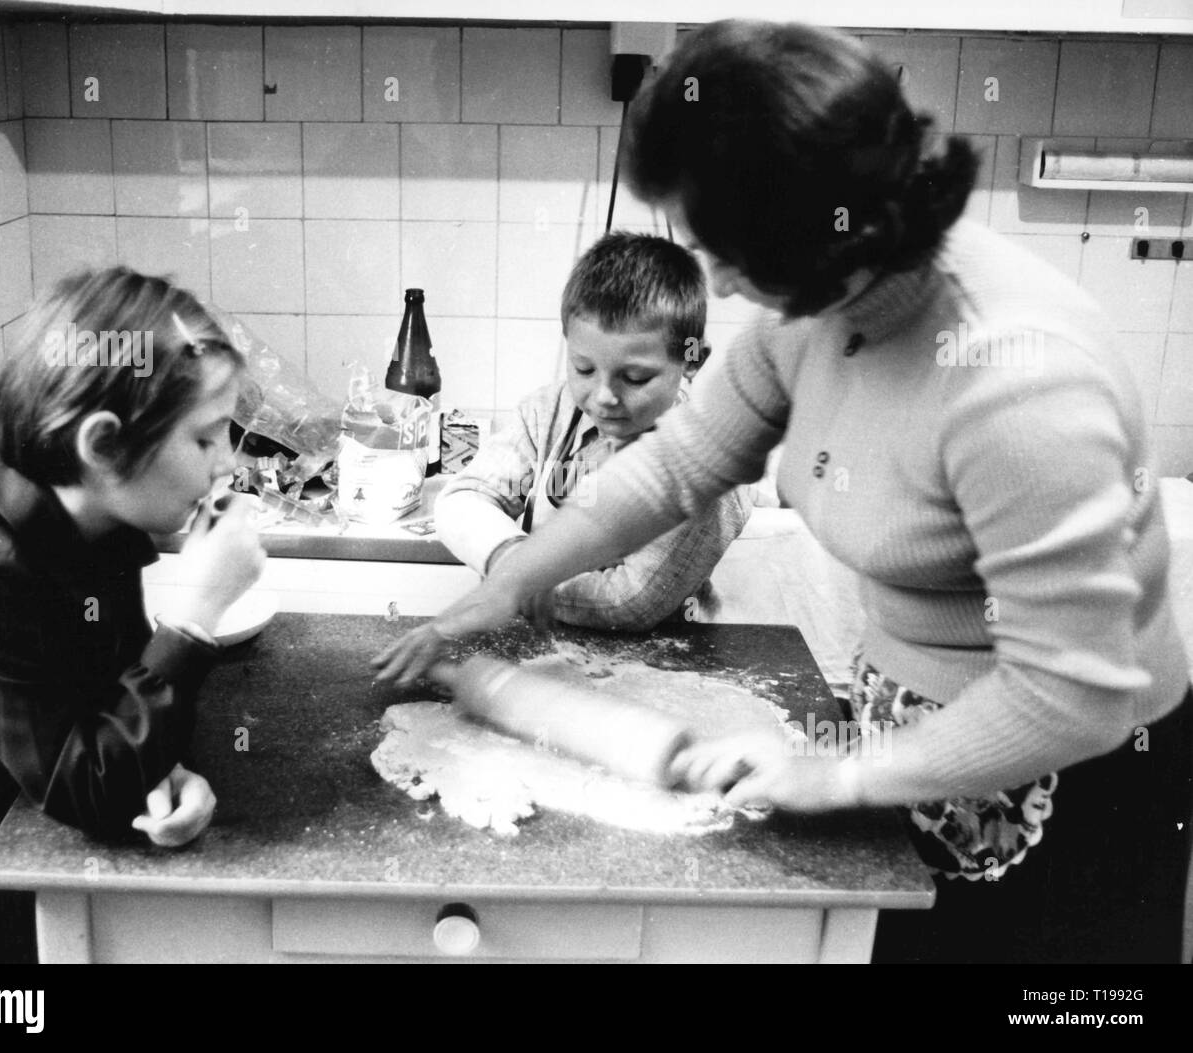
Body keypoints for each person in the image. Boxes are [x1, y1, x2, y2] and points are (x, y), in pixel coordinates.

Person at [373, 20, 1193, 964]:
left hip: (1051, 780)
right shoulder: (813, 301)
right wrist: (504, 585)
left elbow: (1076, 696)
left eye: (728, 243)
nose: (715, 276)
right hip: (904, 727)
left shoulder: (1021, 386)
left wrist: (836, 775)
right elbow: (675, 466)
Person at [0, 268, 265, 962]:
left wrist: (160, 766)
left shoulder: (98, 524)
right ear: (103, 446)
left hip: (12, 811)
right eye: (208, 439)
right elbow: (83, 782)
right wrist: (194, 615)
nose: (227, 468)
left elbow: (108, 692)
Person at [436, 231, 749, 630]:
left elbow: (629, 602)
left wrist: (522, 586)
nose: (604, 396)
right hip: (547, 652)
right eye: (584, 369)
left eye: (634, 378)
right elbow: (465, 496)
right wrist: (508, 557)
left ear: (692, 359)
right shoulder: (547, 413)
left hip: (666, 663)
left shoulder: (708, 468)